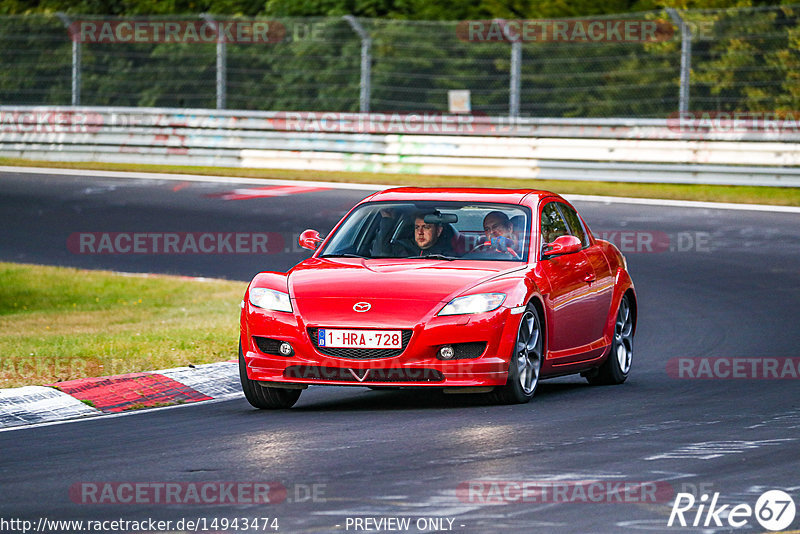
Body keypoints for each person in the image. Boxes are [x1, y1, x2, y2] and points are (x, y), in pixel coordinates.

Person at [372, 210, 452, 257]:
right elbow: (379, 251)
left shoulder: (448, 256)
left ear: (438, 231)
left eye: (426, 227)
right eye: (417, 227)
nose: (420, 232)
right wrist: (387, 220)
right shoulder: (400, 248)